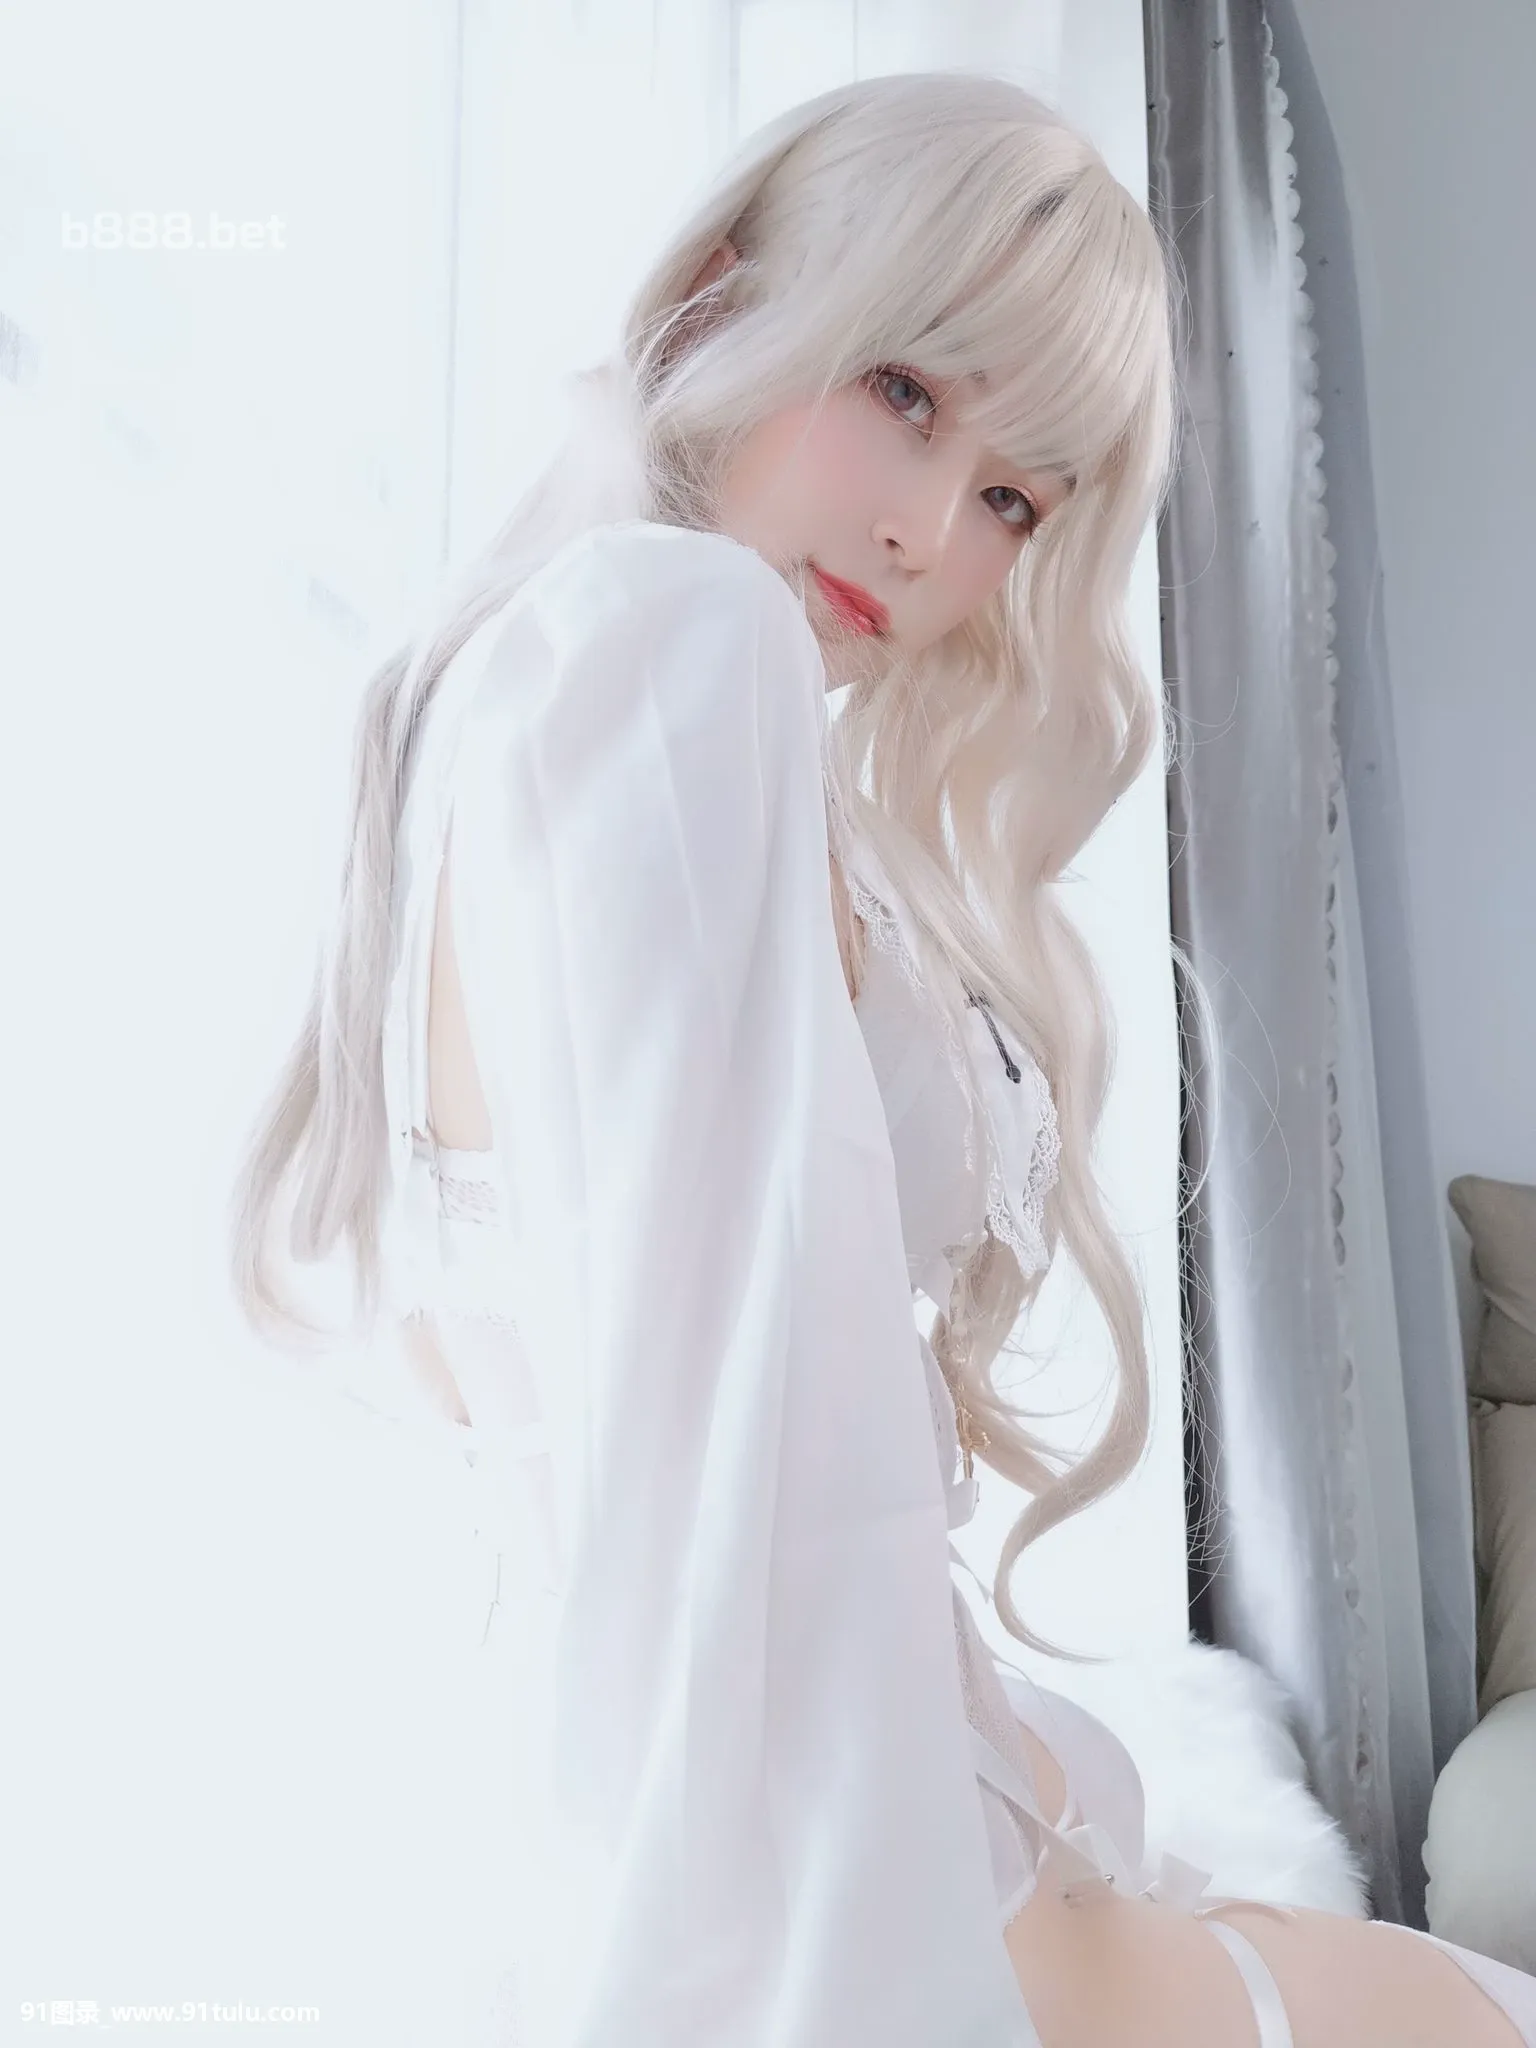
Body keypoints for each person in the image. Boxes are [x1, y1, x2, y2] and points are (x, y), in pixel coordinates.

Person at [229, 70, 1536, 2048]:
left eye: (1017, 498)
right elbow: (740, 1497)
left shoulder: (557, 677)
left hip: (883, 1845)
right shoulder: (673, 643)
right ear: (726, 295)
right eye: (909, 393)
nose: (931, 531)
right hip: (882, 1912)